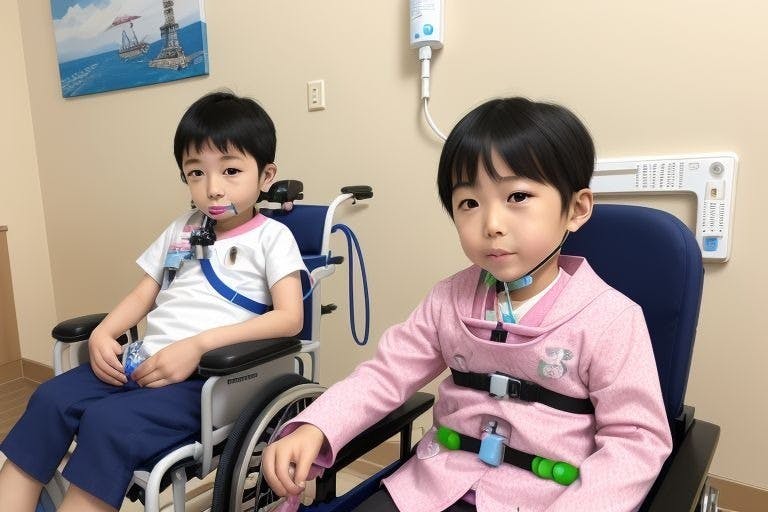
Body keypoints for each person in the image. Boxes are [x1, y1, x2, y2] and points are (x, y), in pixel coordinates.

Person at [262, 97, 672, 512]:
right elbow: (385, 375)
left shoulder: (610, 319)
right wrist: (318, 424)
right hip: (434, 485)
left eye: (518, 196)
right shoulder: (448, 299)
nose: (491, 224)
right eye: (469, 203)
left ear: (576, 209)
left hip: (547, 500)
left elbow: (635, 442)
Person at [0, 91, 306, 512]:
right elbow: (145, 292)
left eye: (231, 171)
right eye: (196, 173)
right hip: (143, 360)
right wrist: (104, 332)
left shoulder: (273, 238)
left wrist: (198, 346)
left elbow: (289, 319)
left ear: (266, 175)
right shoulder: (184, 229)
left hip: (208, 381)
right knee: (49, 399)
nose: (213, 189)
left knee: (108, 425)